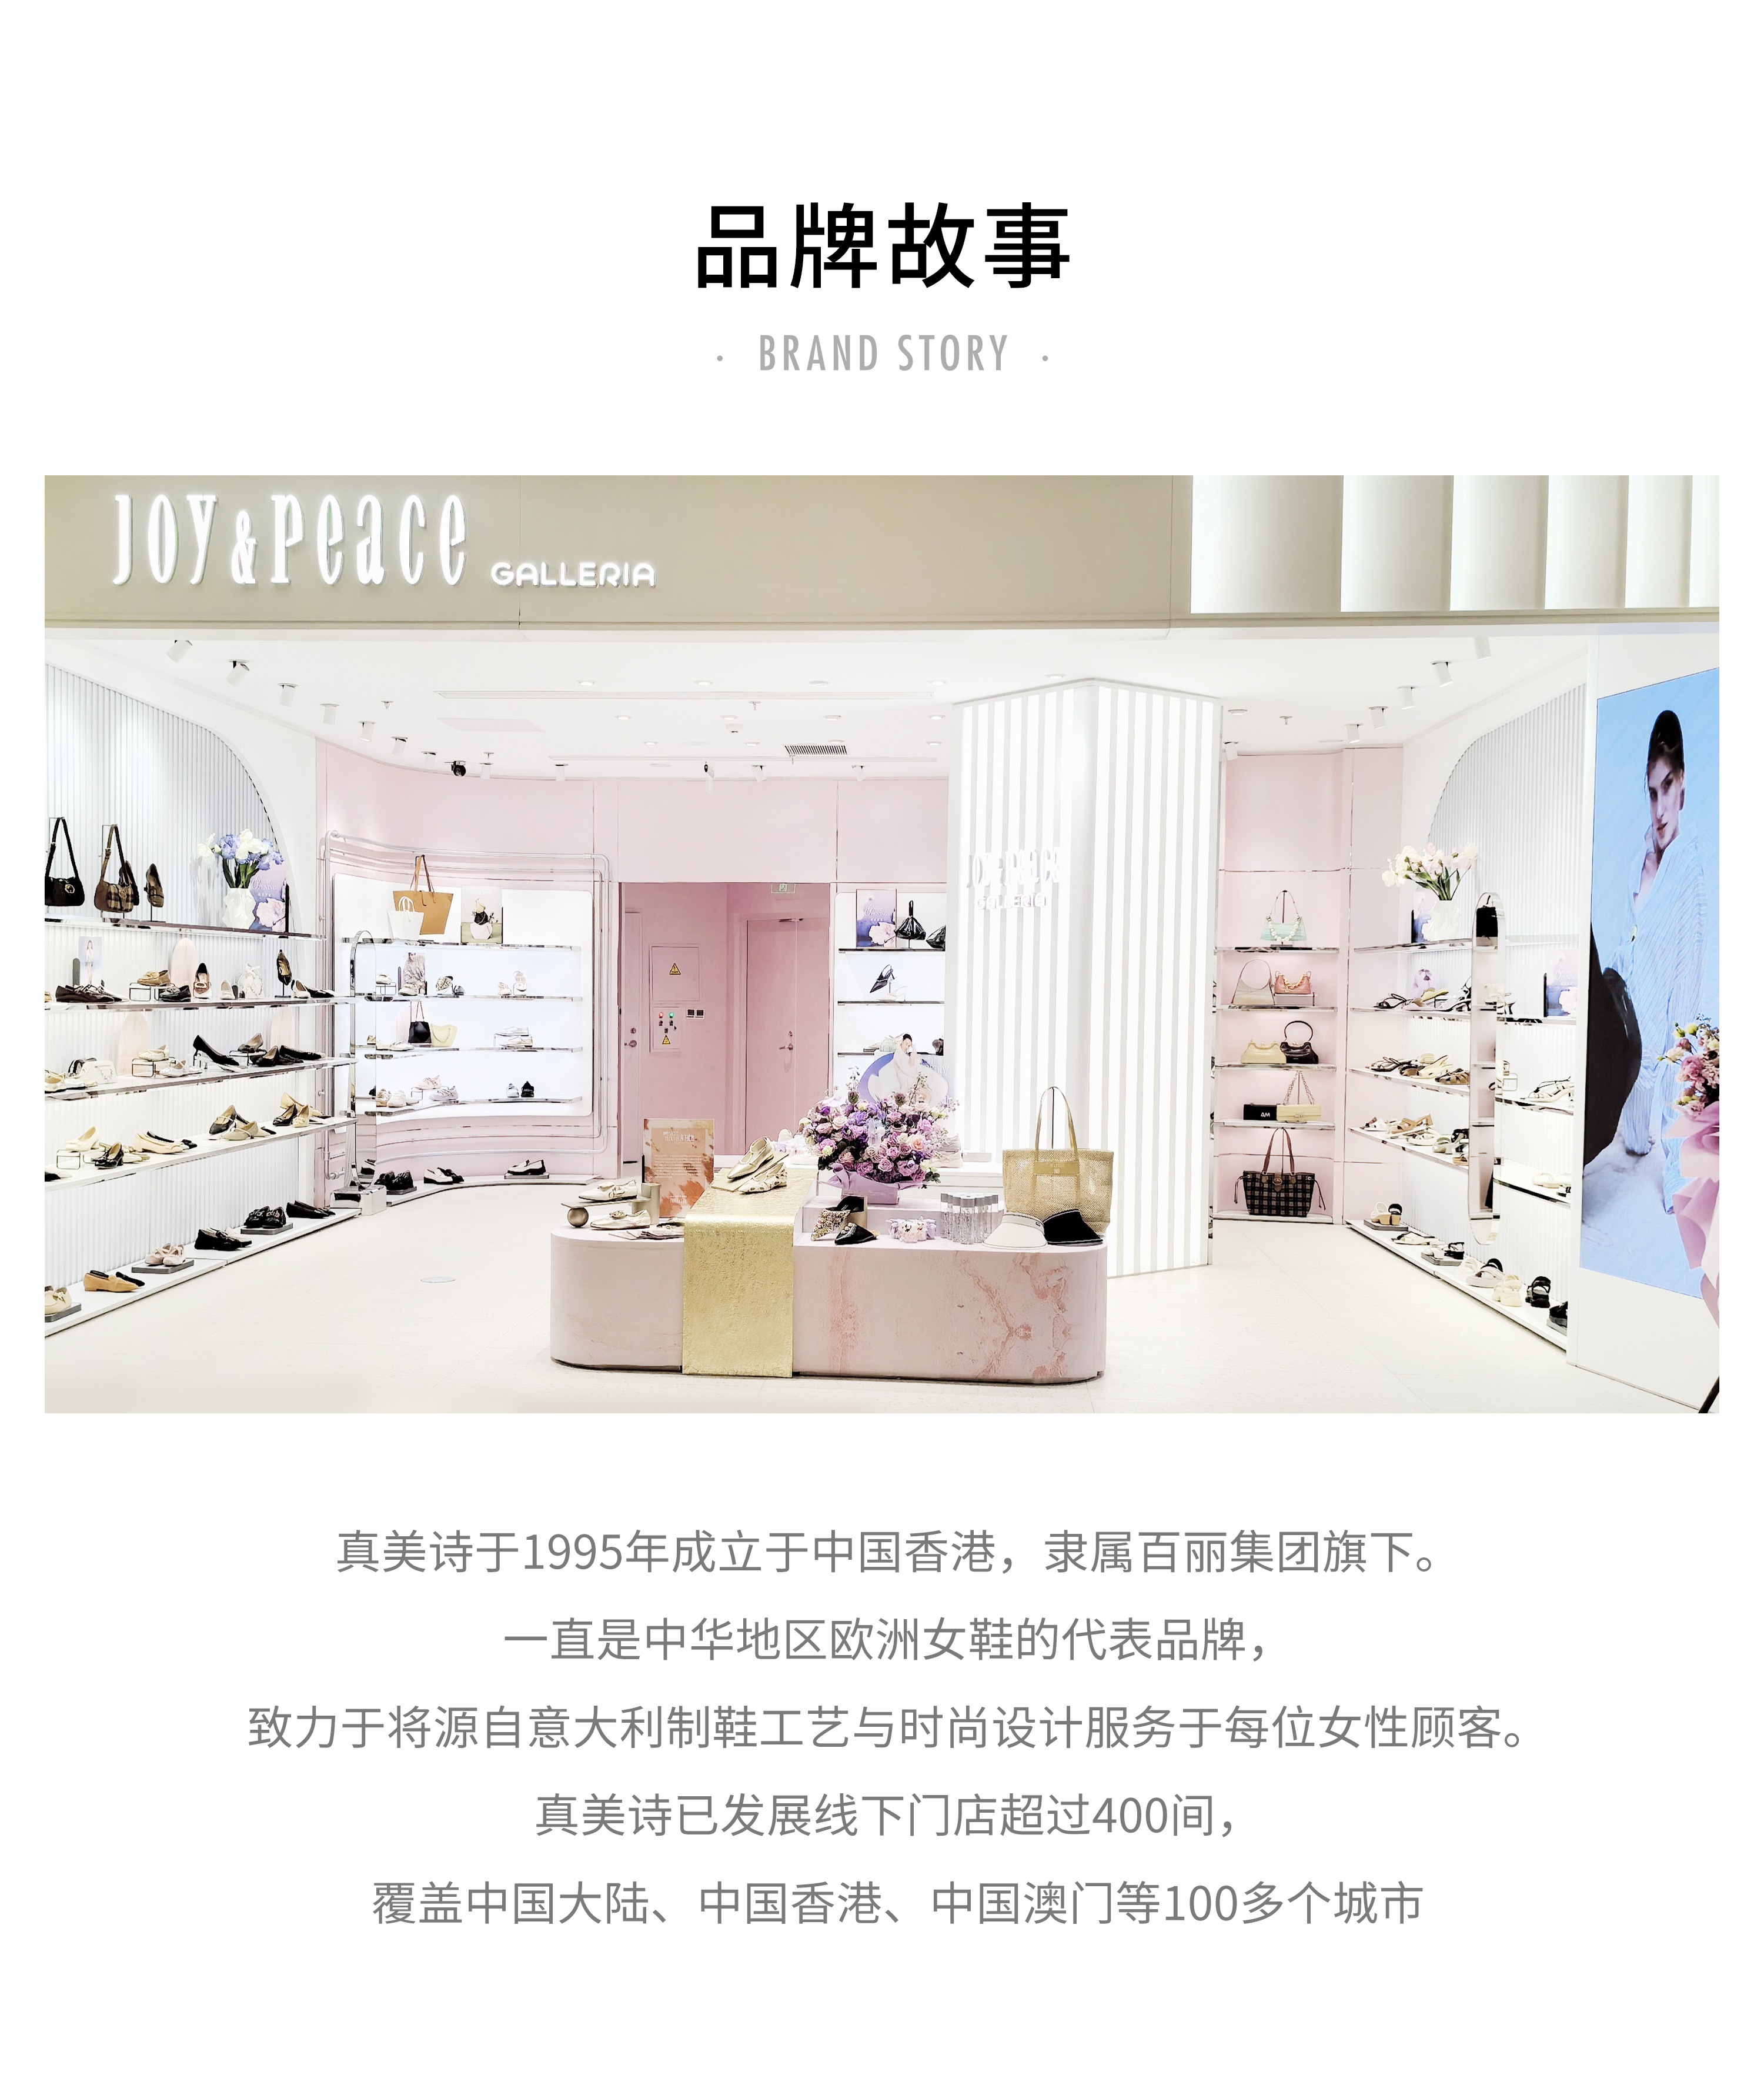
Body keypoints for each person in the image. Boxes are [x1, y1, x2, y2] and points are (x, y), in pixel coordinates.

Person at [1611, 710, 1706, 1169]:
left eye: (1667, 787)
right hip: (1625, 1059)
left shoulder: (1690, 874)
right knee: (1629, 1143)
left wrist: (1675, 1165)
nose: (1660, 808)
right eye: (1652, 793)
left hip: (1655, 1070)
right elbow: (1624, 960)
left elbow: (1684, 1010)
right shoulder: (1638, 864)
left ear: (1682, 783)